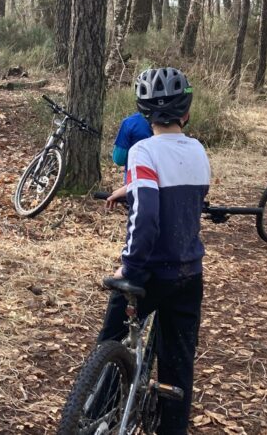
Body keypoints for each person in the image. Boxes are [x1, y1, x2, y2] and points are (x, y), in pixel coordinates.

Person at [101, 67, 209, 435]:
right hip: (189, 272)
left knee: (110, 341)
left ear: (144, 115)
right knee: (178, 366)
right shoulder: (197, 150)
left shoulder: (142, 150)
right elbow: (186, 197)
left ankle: (97, 413)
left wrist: (128, 268)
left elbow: (146, 216)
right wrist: (130, 189)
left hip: (150, 273)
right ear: (186, 112)